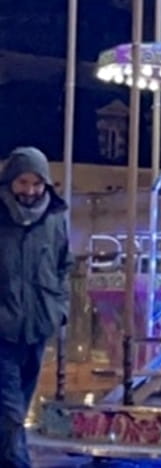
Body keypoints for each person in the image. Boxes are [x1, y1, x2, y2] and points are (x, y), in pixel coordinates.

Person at [0, 147, 70, 468]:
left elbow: (63, 265)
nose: (29, 191)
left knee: (16, 410)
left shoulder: (54, 219)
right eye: (23, 182)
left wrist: (59, 309)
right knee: (11, 413)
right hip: (2, 331)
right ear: (10, 181)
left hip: (37, 327)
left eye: (37, 183)